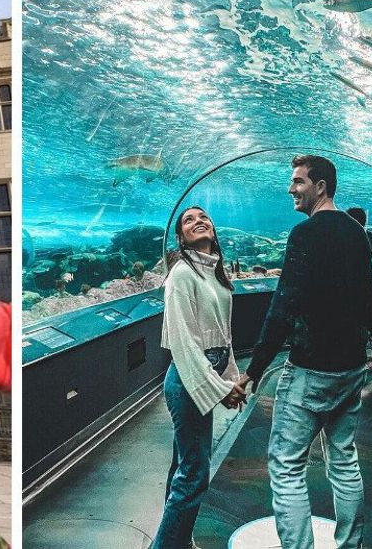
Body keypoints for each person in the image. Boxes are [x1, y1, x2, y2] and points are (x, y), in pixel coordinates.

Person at [234, 155, 372, 549]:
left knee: (286, 465)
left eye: (297, 181)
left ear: (321, 186)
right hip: (350, 368)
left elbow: (284, 306)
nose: (291, 188)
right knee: (344, 460)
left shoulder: (305, 234)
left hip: (311, 370)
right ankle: (351, 544)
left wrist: (255, 368)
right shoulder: (357, 234)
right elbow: (367, 302)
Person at [151, 206, 246, 549]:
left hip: (208, 373)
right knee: (194, 476)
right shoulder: (181, 274)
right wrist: (221, 389)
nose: (198, 221)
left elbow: (224, 334)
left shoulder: (217, 274)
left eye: (203, 216)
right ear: (180, 237)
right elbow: (185, 345)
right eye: (188, 220)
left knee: (184, 466)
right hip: (188, 379)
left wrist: (231, 379)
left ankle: (179, 538)